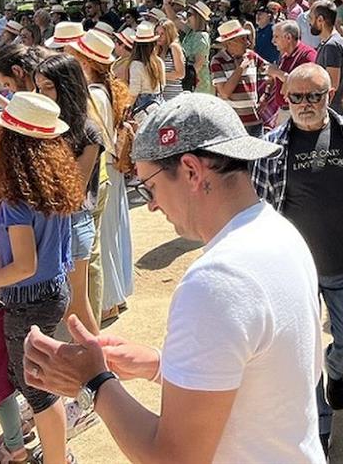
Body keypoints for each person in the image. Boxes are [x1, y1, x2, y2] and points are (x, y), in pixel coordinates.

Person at [23, 93, 325, 463]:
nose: (150, 204)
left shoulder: (216, 281)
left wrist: (94, 383)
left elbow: (174, 458)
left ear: (192, 171)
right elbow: (270, 378)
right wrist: (160, 365)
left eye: (148, 187)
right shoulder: (279, 232)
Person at [252, 64, 343, 452]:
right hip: (295, 272)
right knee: (304, 348)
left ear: (328, 96)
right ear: (286, 99)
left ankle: (335, 369)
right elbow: (262, 210)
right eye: (295, 97)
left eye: (313, 96)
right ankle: (321, 425)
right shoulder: (272, 146)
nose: (304, 104)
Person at [0, 92, 83, 464]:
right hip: (52, 290)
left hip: (30, 301)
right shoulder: (50, 187)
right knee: (35, 379)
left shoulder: (16, 202)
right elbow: (27, 258)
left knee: (36, 387)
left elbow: (23, 265)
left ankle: (58, 459)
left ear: (13, 143)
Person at [65, 30, 134, 324]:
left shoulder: (92, 93)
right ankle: (112, 300)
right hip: (110, 168)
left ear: (85, 61)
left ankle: (106, 304)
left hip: (102, 168)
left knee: (100, 241)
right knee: (108, 236)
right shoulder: (104, 89)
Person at [34, 54, 103, 336]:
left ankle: (101, 370)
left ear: (67, 86)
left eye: (48, 87)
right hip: (42, 221)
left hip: (71, 223)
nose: (41, 94)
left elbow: (74, 188)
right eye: (38, 87)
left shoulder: (87, 132)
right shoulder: (40, 125)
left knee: (75, 306)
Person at [209, 20, 269, 135]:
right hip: (231, 124)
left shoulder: (251, 55)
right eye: (242, 39)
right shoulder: (217, 61)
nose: (247, 43)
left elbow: (270, 72)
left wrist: (265, 96)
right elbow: (224, 93)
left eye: (246, 38)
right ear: (229, 43)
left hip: (254, 121)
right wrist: (240, 69)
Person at [264, 20, 318, 127]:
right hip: (284, 111)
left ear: (288, 37)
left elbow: (307, 84)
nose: (273, 41)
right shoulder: (284, 55)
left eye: (276, 37)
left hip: (298, 114)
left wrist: (279, 73)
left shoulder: (308, 55)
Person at [310, 1, 343, 113]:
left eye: (311, 18)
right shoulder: (330, 42)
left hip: (332, 111)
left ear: (320, 20)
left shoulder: (332, 46)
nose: (309, 22)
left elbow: (332, 84)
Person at [127, 22, 165, 113]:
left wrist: (126, 109)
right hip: (159, 104)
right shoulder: (159, 61)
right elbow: (163, 85)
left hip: (142, 107)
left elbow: (134, 92)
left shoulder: (136, 65)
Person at [156, 19, 185, 101]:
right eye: (157, 33)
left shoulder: (174, 47)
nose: (159, 36)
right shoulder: (158, 49)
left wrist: (157, 75)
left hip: (173, 96)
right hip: (160, 96)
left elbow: (180, 74)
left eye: (162, 34)